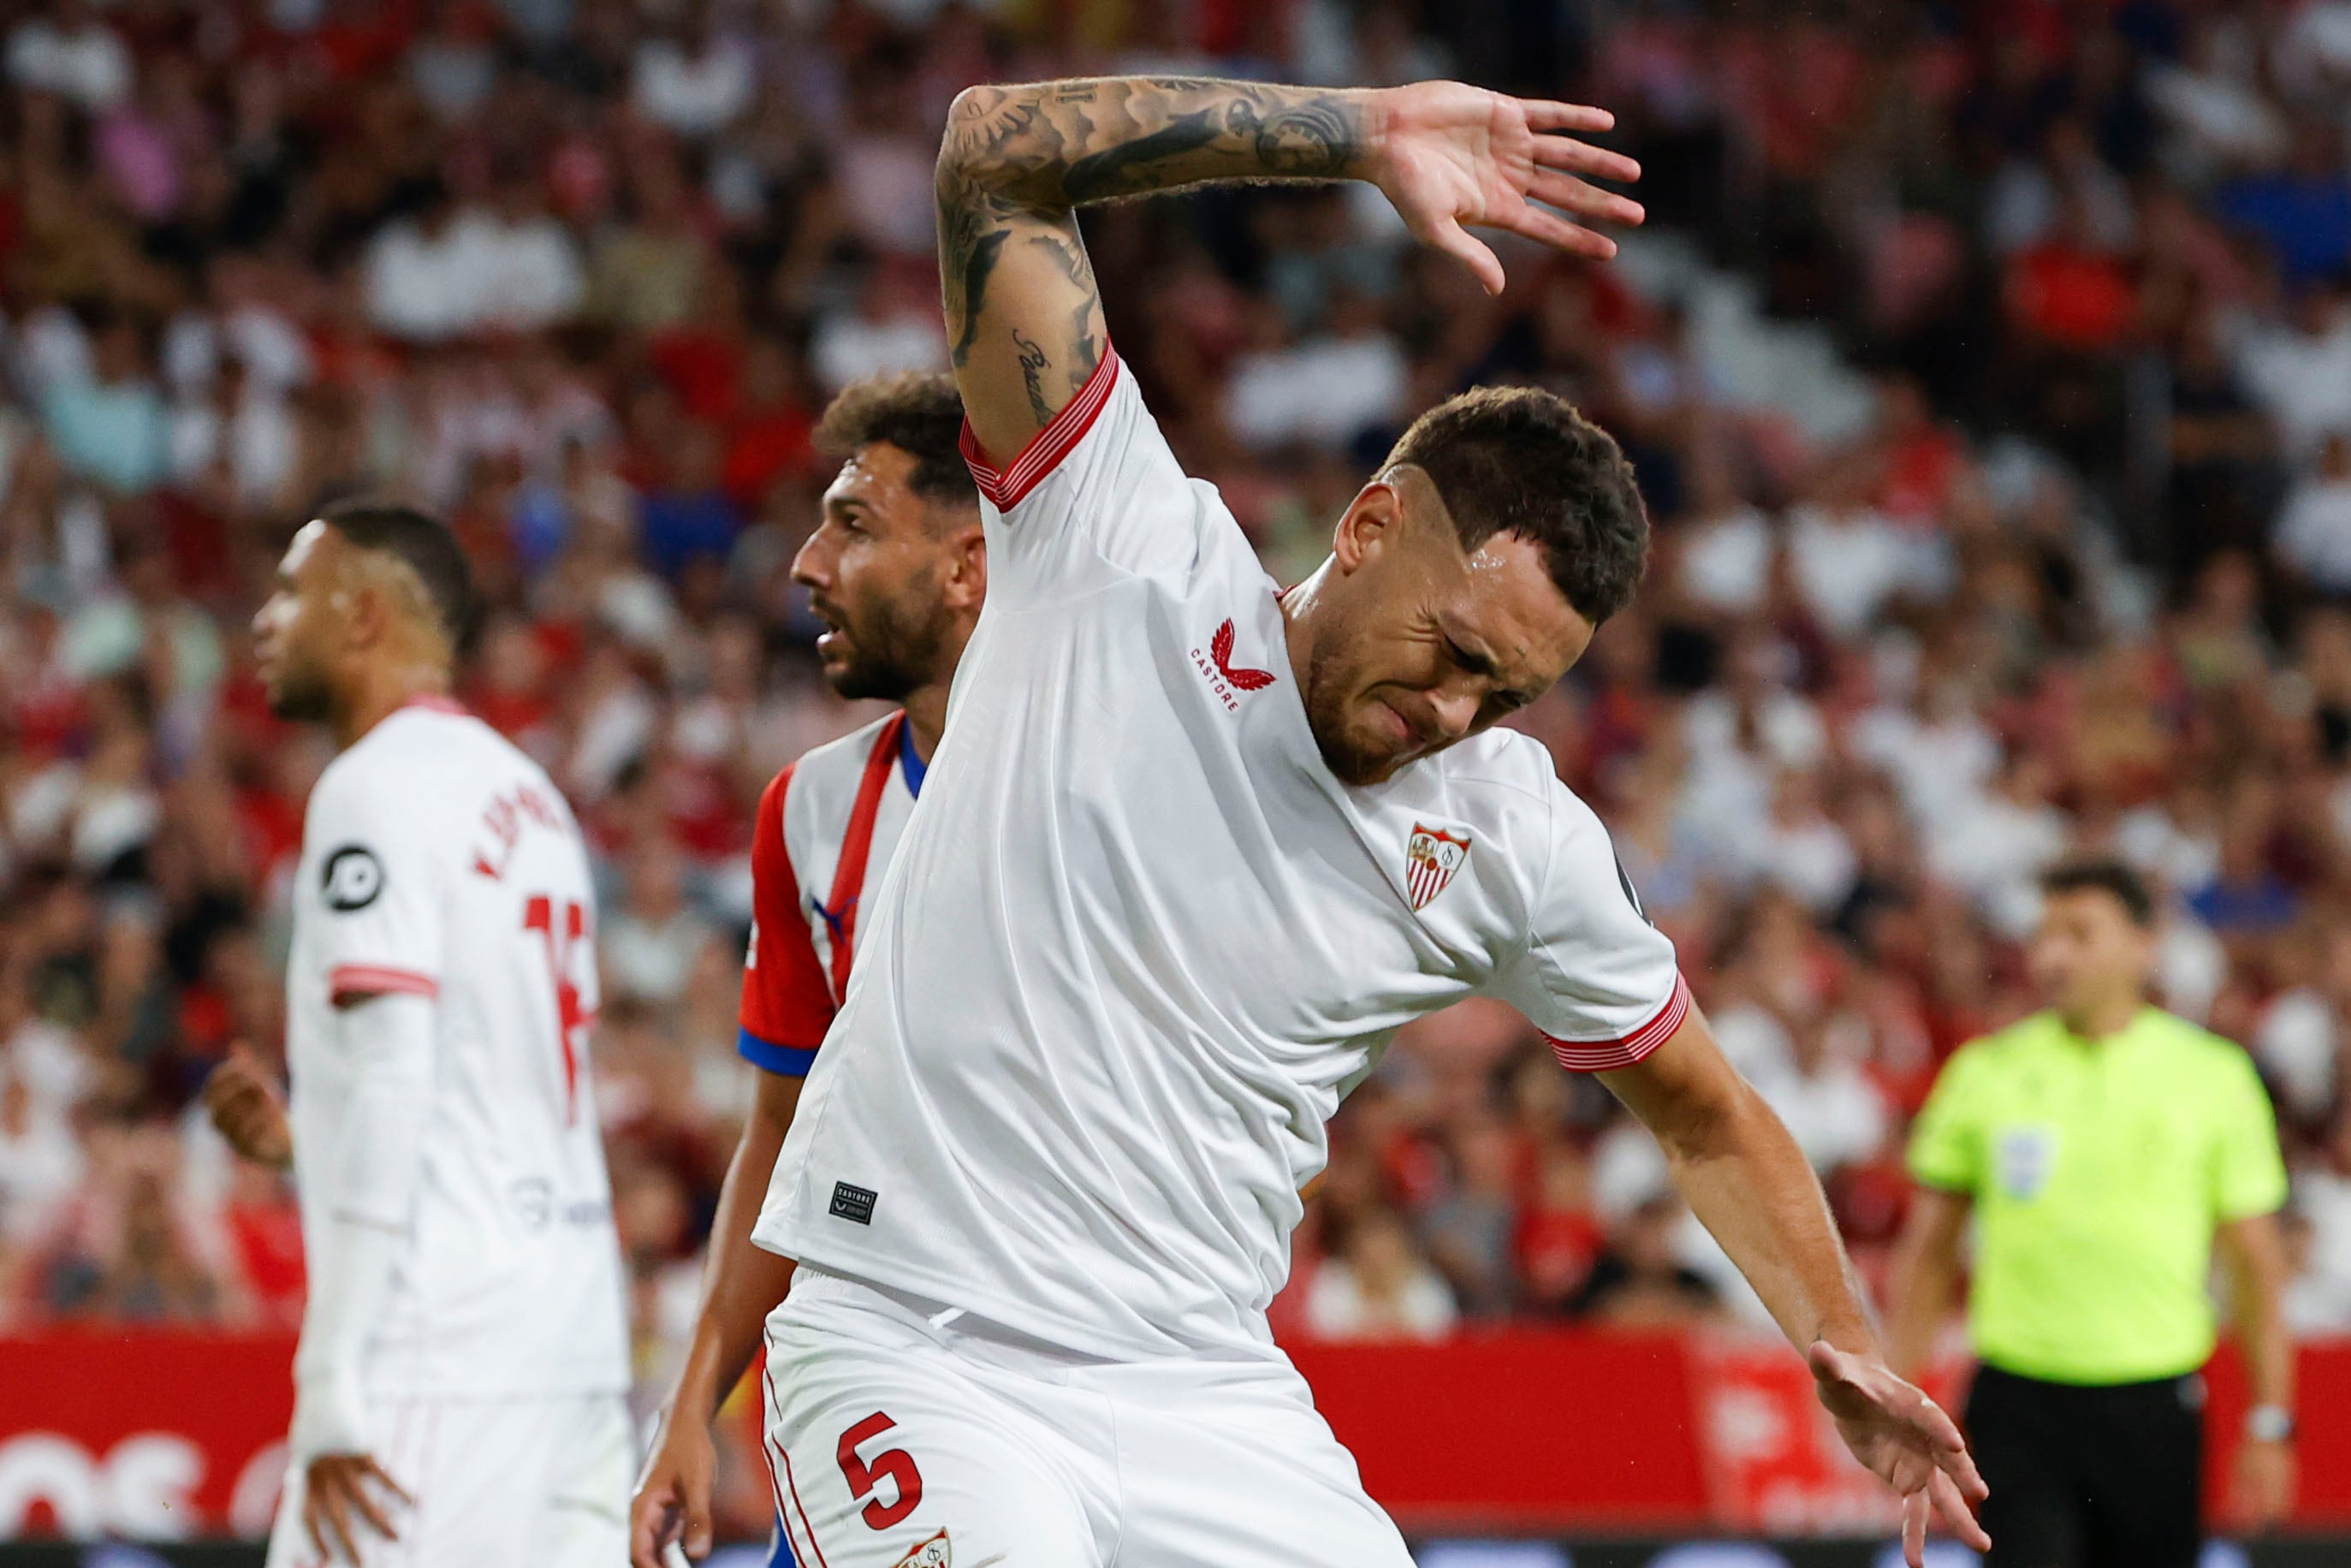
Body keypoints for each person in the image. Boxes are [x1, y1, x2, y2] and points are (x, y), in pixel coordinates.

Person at [639, 76, 1988, 1568]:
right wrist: (1354, 137)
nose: (1459, 715)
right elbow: (991, 158)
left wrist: (1835, 1334)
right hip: (917, 1339)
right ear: (1367, 527)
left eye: (1511, 696)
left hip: (1199, 1390)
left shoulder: (1507, 841)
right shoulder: (1113, 543)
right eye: (1457, 654)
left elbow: (1702, 1109)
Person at [205, 502, 630, 1566]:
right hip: (571, 1333)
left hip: (438, 1345)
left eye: (292, 589)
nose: (266, 618)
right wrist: (312, 1144)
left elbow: (395, 1076)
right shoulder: (527, 793)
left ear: (358, 615)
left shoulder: (371, 789)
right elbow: (487, 1093)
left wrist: (330, 1369)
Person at [631, 372, 984, 1565]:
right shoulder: (809, 811)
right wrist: (692, 1405)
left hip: (1114, 1363)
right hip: (883, 1383)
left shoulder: (1135, 790)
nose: (803, 563)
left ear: (966, 565)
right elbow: (781, 1135)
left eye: (853, 523)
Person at [1886, 857, 2295, 1567]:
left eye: (2079, 933)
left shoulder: (2213, 1077)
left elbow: (2256, 1269)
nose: (2051, 953)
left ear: (2144, 945)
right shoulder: (1984, 1073)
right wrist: (1900, 1399)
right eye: (2043, 933)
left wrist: (2269, 1424)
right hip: (2017, 1404)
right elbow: (1927, 1255)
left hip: (2155, 1406)